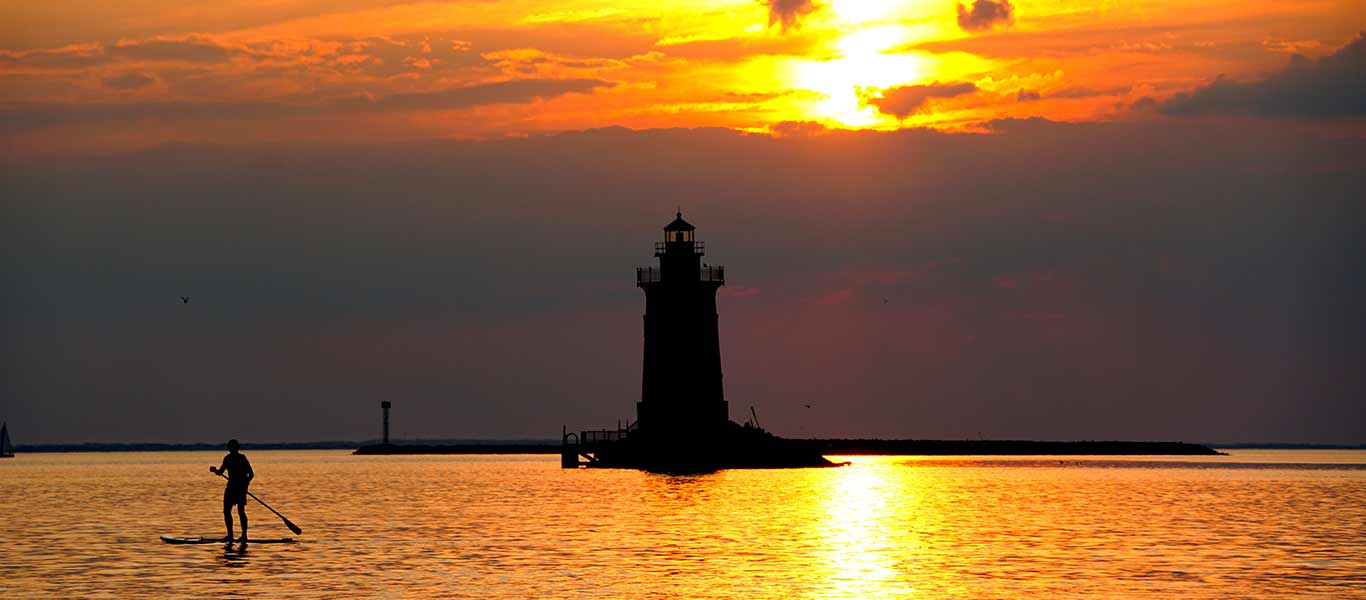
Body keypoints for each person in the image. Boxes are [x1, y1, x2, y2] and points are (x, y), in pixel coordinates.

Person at [210, 439, 254, 542]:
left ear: (237, 448)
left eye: (233, 447)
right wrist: (215, 470)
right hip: (230, 488)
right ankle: (230, 535)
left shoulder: (242, 458)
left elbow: (251, 474)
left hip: (240, 489)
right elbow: (220, 472)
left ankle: (244, 536)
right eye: (230, 447)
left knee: (241, 511)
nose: (231, 449)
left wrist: (245, 484)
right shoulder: (227, 458)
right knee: (226, 512)